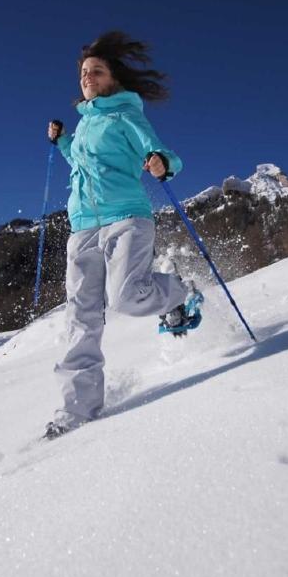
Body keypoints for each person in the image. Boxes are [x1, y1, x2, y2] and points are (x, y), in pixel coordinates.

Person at [44, 31, 202, 440]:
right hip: (82, 228)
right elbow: (82, 163)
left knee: (127, 297)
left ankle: (179, 292)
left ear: (113, 79)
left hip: (127, 218)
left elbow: (166, 154)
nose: (87, 77)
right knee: (80, 318)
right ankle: (77, 410)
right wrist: (63, 141)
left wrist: (161, 162)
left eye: (96, 71)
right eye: (83, 72)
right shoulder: (83, 126)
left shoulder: (125, 117)